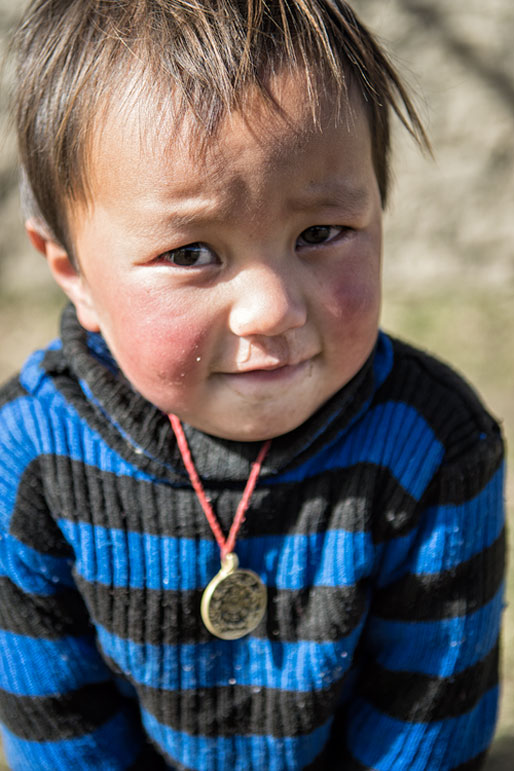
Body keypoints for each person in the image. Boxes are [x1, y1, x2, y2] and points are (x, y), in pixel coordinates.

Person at [0, 0, 505, 768]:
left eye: (320, 234)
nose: (272, 307)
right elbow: (60, 732)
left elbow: (426, 731)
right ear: (73, 273)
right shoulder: (27, 458)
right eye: (193, 251)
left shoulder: (436, 447)